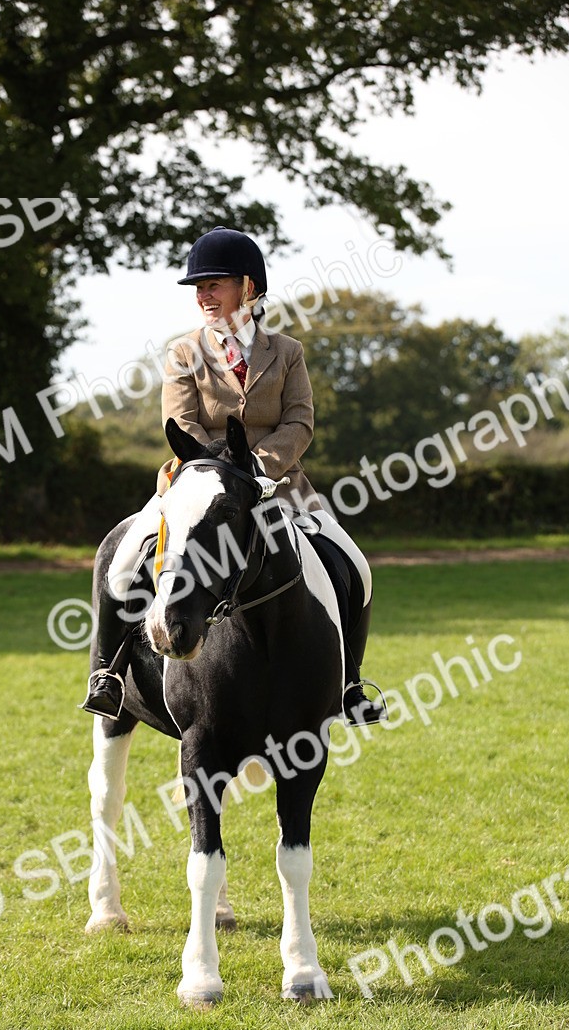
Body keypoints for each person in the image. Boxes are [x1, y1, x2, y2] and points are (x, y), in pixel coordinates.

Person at [82, 226, 385, 725]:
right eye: (198, 288)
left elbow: (300, 422)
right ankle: (107, 676)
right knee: (119, 566)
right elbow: (181, 424)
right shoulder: (183, 353)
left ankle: (350, 684)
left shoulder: (287, 352)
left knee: (354, 565)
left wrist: (259, 467)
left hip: (282, 488)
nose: (203, 295)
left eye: (213, 284)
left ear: (248, 288)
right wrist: (227, 472)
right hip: (197, 488)